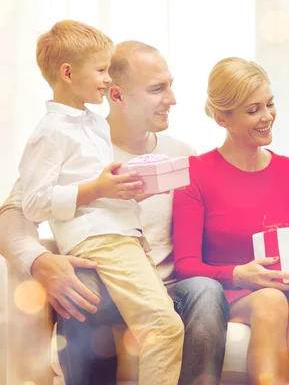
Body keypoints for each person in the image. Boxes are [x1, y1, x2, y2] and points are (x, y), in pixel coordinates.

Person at [0, 38, 228, 385]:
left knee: (206, 292)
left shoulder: (181, 153)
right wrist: (39, 261)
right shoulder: (76, 145)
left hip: (164, 285)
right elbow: (16, 208)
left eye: (171, 86)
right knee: (83, 285)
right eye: (157, 89)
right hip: (104, 285)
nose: (173, 100)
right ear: (117, 95)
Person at [172, 57, 289, 385]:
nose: (267, 117)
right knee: (270, 300)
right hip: (231, 292)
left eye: (270, 104)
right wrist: (239, 275)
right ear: (222, 117)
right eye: (253, 110)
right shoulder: (195, 173)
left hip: (284, 287)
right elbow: (185, 265)